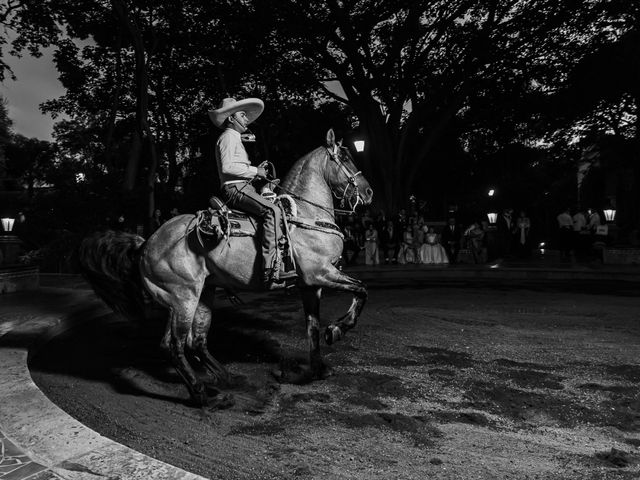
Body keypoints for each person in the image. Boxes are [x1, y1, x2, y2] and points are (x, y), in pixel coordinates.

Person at [209, 96, 296, 289]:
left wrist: (258, 174)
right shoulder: (228, 137)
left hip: (242, 186)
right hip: (235, 189)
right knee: (273, 211)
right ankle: (270, 269)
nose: (247, 118)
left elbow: (237, 167)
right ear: (231, 118)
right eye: (242, 114)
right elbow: (228, 167)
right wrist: (256, 171)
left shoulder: (234, 138)